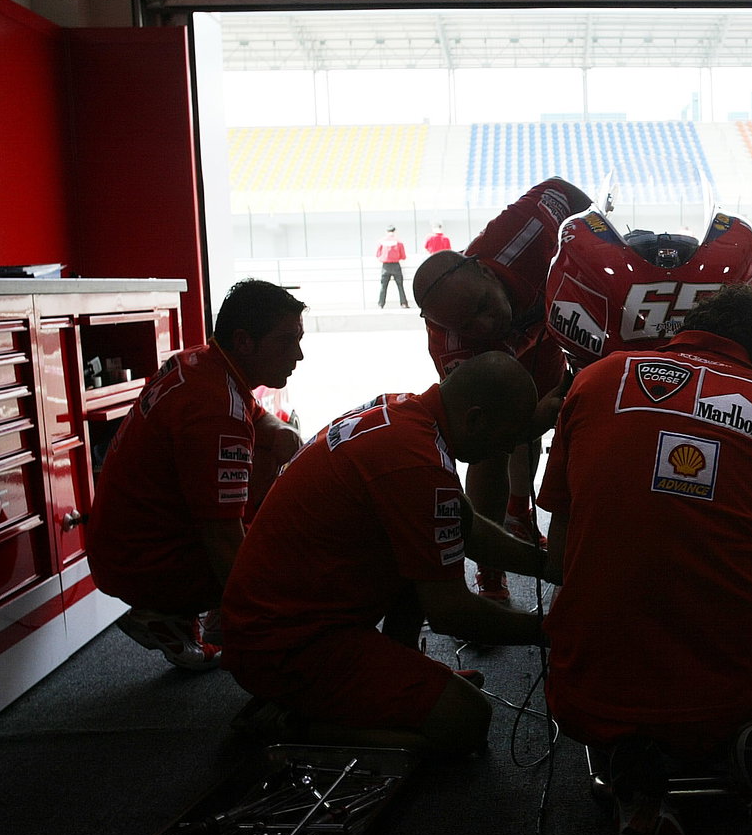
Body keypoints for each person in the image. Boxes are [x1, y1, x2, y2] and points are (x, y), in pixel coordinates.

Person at [538, 284, 752, 835]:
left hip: (593, 687)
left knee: (615, 662)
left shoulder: (599, 378)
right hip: (733, 684)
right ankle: (741, 751)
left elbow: (558, 555)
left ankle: (636, 772)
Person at [219, 352, 550, 755]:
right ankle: (287, 723)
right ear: (476, 418)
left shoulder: (406, 414)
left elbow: (464, 522)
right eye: (509, 436)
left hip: (281, 621)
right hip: (286, 647)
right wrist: (556, 632)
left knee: (424, 548)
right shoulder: (418, 465)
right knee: (465, 721)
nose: (507, 448)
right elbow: (451, 613)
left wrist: (552, 566)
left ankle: (396, 673)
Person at [86, 278, 306, 671]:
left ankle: (175, 615)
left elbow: (259, 418)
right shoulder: (218, 411)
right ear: (244, 342)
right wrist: (283, 623)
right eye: (288, 341)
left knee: (275, 450)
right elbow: (222, 540)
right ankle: (182, 612)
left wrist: (283, 431)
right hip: (142, 564)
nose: (299, 355)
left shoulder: (202, 363)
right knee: (293, 550)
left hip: (122, 548)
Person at [412, 177, 594, 604]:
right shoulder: (457, 347)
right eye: (465, 323)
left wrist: (591, 240)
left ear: (480, 267)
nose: (484, 326)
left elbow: (565, 193)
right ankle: (491, 572)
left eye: (481, 307)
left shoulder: (526, 231)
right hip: (505, 351)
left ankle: (517, 514)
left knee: (535, 426)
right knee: (496, 445)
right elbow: (480, 440)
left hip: (547, 327)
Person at [376, 225, 409, 308]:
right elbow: (403, 256)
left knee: (383, 286)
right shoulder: (398, 242)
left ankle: (381, 304)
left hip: (385, 266)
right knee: (400, 286)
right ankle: (403, 303)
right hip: (396, 265)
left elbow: (378, 254)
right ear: (394, 232)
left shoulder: (381, 241)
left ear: (386, 232)